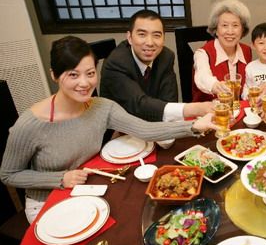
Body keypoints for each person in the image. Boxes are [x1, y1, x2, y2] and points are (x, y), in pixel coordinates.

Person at [0, 36, 217, 223]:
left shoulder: (102, 107)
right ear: (54, 75)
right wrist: (59, 178)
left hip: (87, 188)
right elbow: (9, 174)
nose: (84, 83)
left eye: (90, 73)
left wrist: (194, 126)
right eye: (73, 75)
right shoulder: (30, 124)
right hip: (47, 201)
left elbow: (145, 129)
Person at [100, 9, 213, 122]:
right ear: (129, 37)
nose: (150, 42)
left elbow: (169, 101)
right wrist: (194, 109)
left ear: (164, 38)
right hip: (118, 130)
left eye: (156, 35)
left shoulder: (166, 57)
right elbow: (139, 105)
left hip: (155, 126)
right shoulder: (116, 63)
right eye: (142, 34)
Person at [193, 0, 252, 102]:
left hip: (238, 113)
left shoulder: (246, 51)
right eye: (224, 25)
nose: (230, 31)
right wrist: (216, 85)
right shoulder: (202, 53)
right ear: (216, 29)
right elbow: (202, 77)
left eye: (235, 25)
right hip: (208, 113)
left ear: (242, 30)